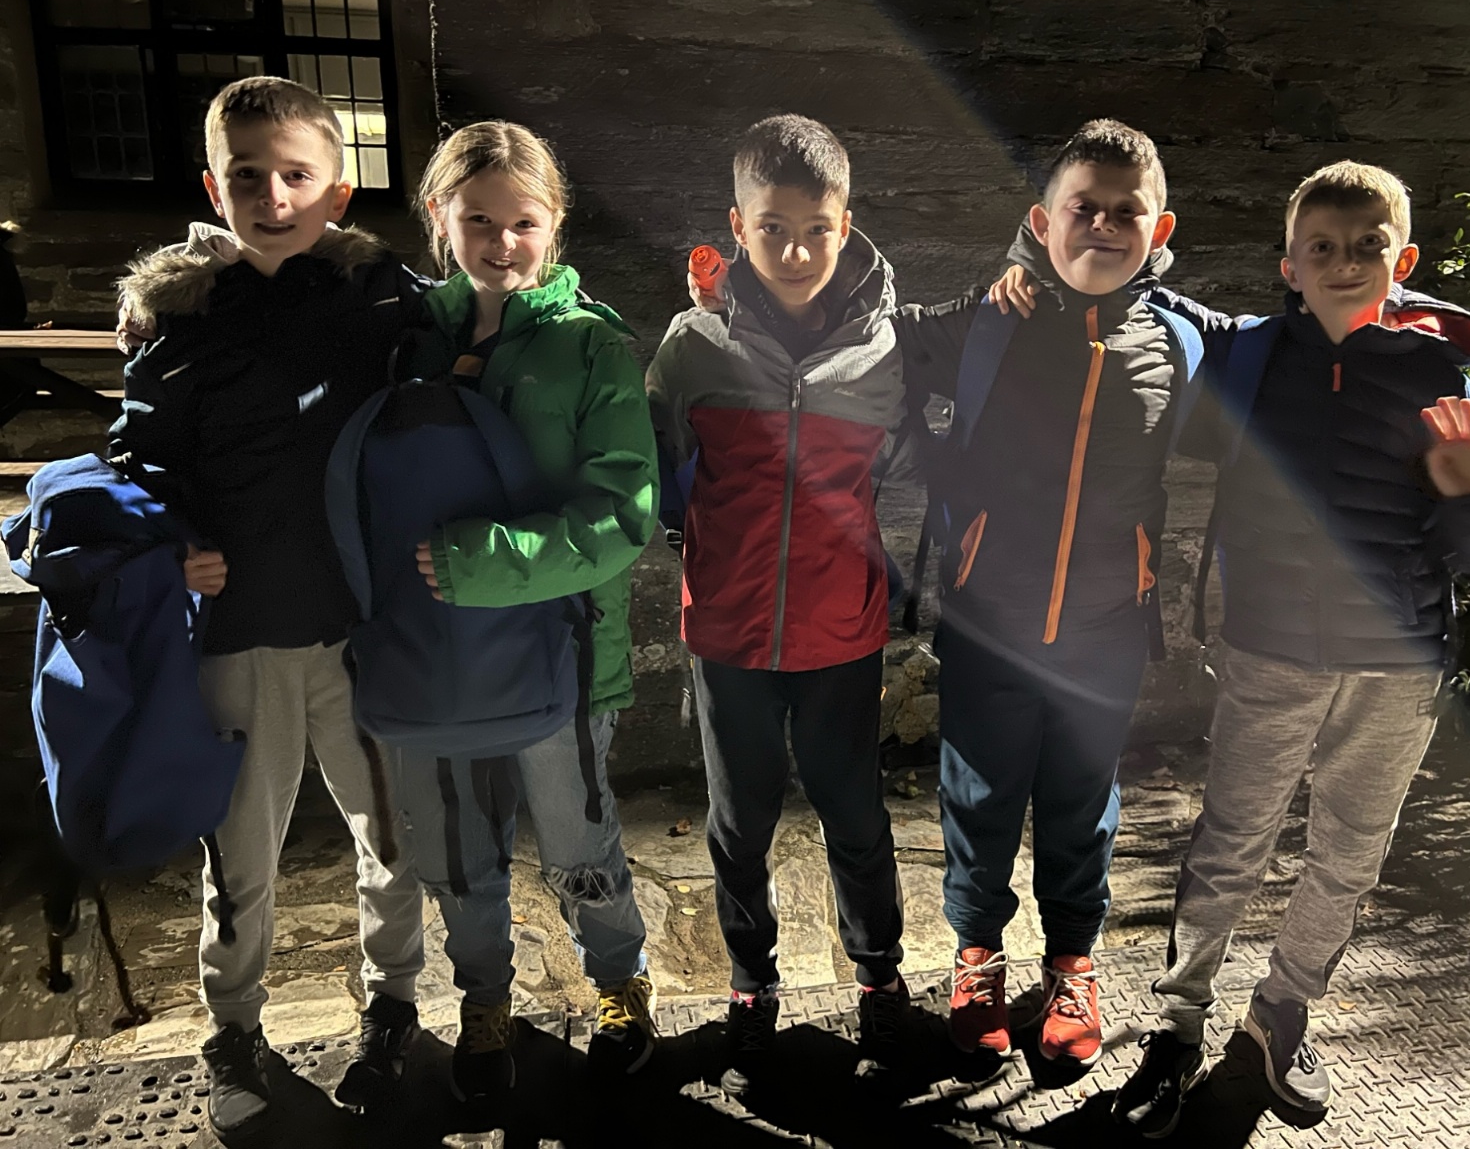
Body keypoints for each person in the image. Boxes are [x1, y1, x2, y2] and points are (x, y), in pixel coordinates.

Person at [1111, 161, 1470, 1136]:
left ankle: (1279, 1016)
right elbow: (1139, 300)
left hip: (1397, 670)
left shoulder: (1441, 376)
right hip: (1270, 655)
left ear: (1402, 260)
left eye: (1367, 246)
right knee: (1230, 845)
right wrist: (1060, 251)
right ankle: (1176, 1025)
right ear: (1289, 266)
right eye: (1322, 248)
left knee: (1348, 858)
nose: (1345, 263)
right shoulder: (1250, 357)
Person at [108, 76, 427, 1134]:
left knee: (391, 836)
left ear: (337, 191)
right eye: (249, 176)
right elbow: (137, 461)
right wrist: (173, 544)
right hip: (239, 636)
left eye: (297, 175)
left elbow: (480, 328)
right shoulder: (181, 323)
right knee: (239, 857)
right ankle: (235, 1029)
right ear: (216, 188)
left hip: (357, 630)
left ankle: (394, 1007)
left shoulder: (383, 299)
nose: (274, 196)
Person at [890, 119, 1192, 1067]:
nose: (1103, 226)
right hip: (990, 621)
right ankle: (977, 955)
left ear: (1159, 229)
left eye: (1125, 212)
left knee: (1082, 804)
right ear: (1041, 220)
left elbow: (1297, 348)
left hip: (1108, 629)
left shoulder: (1178, 339)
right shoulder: (990, 321)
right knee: (977, 800)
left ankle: (1072, 962)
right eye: (1082, 208)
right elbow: (874, 337)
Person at [647, 114, 912, 1094]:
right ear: (738, 225)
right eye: (772, 230)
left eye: (815, 230)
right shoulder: (693, 346)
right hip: (729, 632)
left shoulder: (887, 349)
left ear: (847, 223)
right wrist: (703, 552)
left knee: (856, 816)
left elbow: (902, 465)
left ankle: (879, 977)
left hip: (841, 631)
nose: (795, 252)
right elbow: (665, 467)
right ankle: (751, 986)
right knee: (740, 822)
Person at [399, 120, 660, 1100]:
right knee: (459, 843)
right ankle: (484, 999)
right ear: (440, 216)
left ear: (554, 223)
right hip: (436, 648)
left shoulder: (591, 346)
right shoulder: (406, 337)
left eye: (523, 222)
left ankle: (619, 983)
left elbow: (622, 514)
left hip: (559, 649)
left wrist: (481, 564)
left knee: (576, 835)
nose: (502, 242)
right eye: (478, 220)